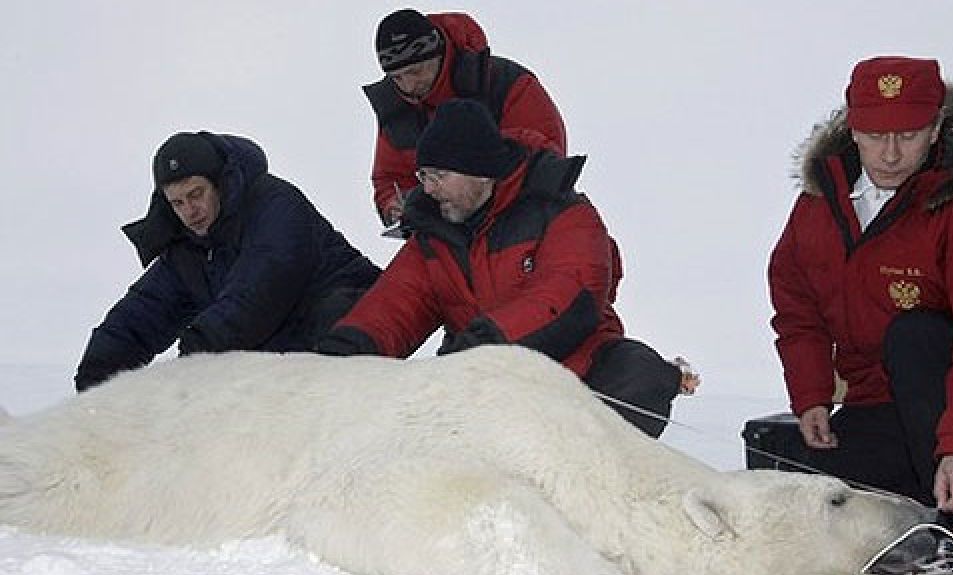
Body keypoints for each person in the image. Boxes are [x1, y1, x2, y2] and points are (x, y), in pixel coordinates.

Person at [768, 56, 953, 551]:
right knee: (787, 472)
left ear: (937, 127)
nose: (891, 153)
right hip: (872, 404)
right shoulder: (818, 204)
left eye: (909, 134)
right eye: (875, 134)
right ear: (852, 128)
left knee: (915, 333)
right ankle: (912, 504)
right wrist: (811, 394)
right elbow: (797, 307)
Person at [318, 99, 690, 437]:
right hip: (477, 383)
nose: (428, 189)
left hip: (572, 371)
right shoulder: (432, 235)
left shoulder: (562, 212)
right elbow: (395, 304)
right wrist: (345, 353)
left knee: (640, 373)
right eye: (423, 176)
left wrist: (483, 346)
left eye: (439, 176)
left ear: (481, 172)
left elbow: (570, 292)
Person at [75, 132, 381, 392]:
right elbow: (142, 314)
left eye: (196, 194)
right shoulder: (187, 246)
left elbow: (257, 294)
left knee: (337, 314)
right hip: (279, 358)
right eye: (177, 203)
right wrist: (95, 386)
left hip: (355, 330)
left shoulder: (275, 205)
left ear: (220, 182)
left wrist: (191, 361)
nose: (190, 211)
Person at [364, 9, 567, 227]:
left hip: (521, 227)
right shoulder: (396, 112)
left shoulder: (504, 83)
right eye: (397, 77)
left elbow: (545, 157)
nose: (408, 85)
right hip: (443, 241)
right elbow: (389, 177)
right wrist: (396, 206)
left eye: (416, 71)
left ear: (439, 54)